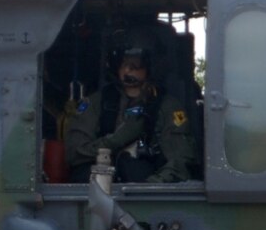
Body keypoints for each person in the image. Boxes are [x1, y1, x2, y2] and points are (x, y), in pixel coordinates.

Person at [65, 43, 198, 183]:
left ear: (150, 67)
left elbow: (180, 160)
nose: (127, 70)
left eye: (135, 65)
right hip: (100, 187)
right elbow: (74, 154)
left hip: (147, 191)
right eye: (123, 64)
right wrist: (116, 140)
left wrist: (150, 187)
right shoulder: (96, 103)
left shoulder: (167, 106)